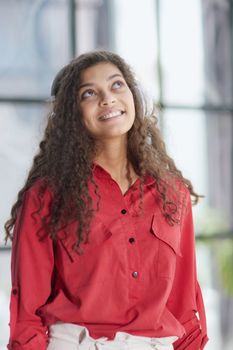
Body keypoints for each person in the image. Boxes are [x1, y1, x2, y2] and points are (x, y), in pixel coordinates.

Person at [5, 50, 208, 350]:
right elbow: (27, 315)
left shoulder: (171, 193)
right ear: (72, 113)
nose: (108, 99)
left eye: (116, 85)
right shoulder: (47, 196)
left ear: (133, 96)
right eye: (89, 93)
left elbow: (184, 300)